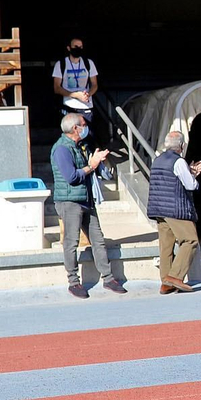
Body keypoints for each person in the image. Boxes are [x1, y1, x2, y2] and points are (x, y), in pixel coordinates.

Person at [51, 113, 126, 298]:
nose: (86, 127)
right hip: (70, 202)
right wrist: (91, 166)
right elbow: (72, 177)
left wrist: (97, 160)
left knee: (98, 239)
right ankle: (73, 282)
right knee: (71, 242)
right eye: (83, 124)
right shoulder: (61, 149)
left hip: (86, 199)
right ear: (75, 128)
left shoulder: (81, 146)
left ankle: (108, 278)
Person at [146, 129, 201, 295]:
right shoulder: (179, 162)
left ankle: (166, 282)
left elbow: (168, 179)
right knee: (190, 240)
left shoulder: (157, 160)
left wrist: (188, 172)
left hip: (159, 208)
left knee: (166, 246)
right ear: (182, 146)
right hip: (175, 208)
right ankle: (175, 277)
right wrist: (194, 176)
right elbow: (190, 185)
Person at [52, 38, 98, 120]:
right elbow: (57, 88)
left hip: (86, 106)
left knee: (86, 132)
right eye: (75, 46)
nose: (78, 49)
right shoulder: (61, 64)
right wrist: (76, 95)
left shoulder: (89, 63)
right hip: (68, 106)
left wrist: (88, 95)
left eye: (80, 47)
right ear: (69, 48)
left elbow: (94, 84)